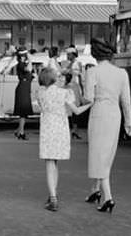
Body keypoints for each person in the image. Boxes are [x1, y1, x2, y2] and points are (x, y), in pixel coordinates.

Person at [84, 38, 131, 214]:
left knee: (98, 154)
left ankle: (108, 198)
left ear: (95, 54)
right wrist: (129, 122)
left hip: (99, 114)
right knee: (106, 153)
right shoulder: (122, 73)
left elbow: (88, 98)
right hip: (115, 115)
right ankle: (95, 190)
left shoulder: (92, 72)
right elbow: (126, 101)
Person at [36, 67, 93, 211]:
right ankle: (53, 194)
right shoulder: (65, 93)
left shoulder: (40, 93)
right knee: (55, 163)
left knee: (49, 163)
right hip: (61, 129)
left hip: (47, 129)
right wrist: (91, 103)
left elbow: (43, 109)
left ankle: (53, 197)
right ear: (54, 78)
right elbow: (76, 111)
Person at [10, 47, 33, 140]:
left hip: (25, 88)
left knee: (24, 113)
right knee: (23, 112)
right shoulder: (21, 64)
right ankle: (21, 132)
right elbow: (29, 69)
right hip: (23, 89)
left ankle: (19, 131)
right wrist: (30, 60)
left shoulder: (22, 64)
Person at [62, 46, 83, 140]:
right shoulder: (71, 64)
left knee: (74, 110)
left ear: (73, 55)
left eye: (68, 54)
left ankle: (74, 130)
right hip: (71, 88)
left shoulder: (76, 64)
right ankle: (73, 130)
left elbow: (78, 76)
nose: (67, 56)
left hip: (74, 88)